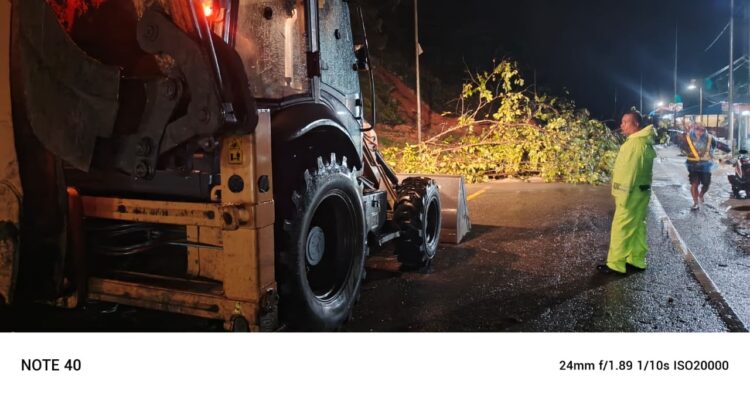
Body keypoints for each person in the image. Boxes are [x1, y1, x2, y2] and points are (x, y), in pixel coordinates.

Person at [598, 111, 656, 275]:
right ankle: (636, 259)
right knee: (638, 226)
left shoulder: (633, 144)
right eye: (622, 122)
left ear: (636, 124)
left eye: (626, 122)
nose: (622, 125)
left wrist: (622, 195)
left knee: (621, 227)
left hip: (630, 194)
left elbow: (629, 172)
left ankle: (615, 264)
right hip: (641, 191)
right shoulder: (644, 142)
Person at [676, 122, 729, 210]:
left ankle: (701, 194)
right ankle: (695, 202)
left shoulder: (710, 138)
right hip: (692, 164)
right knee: (694, 183)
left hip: (706, 165)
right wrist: (687, 149)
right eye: (697, 128)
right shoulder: (687, 137)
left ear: (704, 129)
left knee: (706, 184)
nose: (699, 131)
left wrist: (726, 150)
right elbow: (682, 147)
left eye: (702, 129)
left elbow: (717, 146)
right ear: (694, 128)